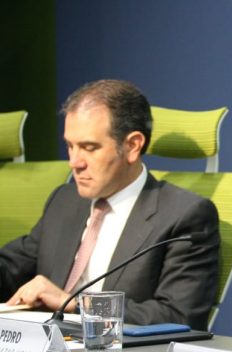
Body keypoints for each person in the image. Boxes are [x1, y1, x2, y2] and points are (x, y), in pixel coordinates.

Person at [0, 79, 220, 330]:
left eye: (89, 148)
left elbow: (178, 315)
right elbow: (10, 269)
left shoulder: (184, 215)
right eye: (70, 146)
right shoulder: (64, 200)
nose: (74, 162)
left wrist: (77, 304)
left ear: (132, 146)